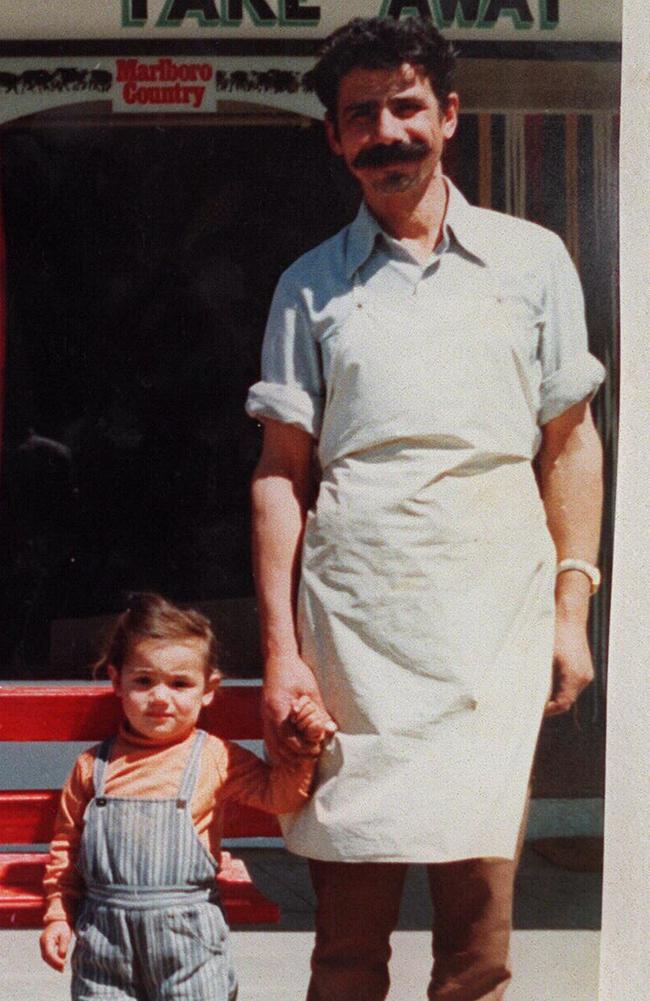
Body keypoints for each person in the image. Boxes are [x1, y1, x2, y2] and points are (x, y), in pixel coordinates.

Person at [246, 15, 605, 1001]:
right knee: (348, 950)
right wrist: (280, 652)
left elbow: (569, 443)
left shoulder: (530, 262)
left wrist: (570, 609)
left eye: (405, 106)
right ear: (334, 137)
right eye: (359, 115)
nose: (385, 130)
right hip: (353, 637)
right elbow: (281, 471)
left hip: (491, 629)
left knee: (477, 950)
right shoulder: (307, 286)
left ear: (447, 115)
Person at [39, 592, 335, 1000]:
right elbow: (67, 850)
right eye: (144, 681)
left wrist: (304, 749)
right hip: (104, 943)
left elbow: (279, 796)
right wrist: (59, 915)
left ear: (208, 689)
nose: (161, 697)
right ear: (116, 681)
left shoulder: (213, 757)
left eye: (180, 683)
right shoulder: (93, 767)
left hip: (188, 944)